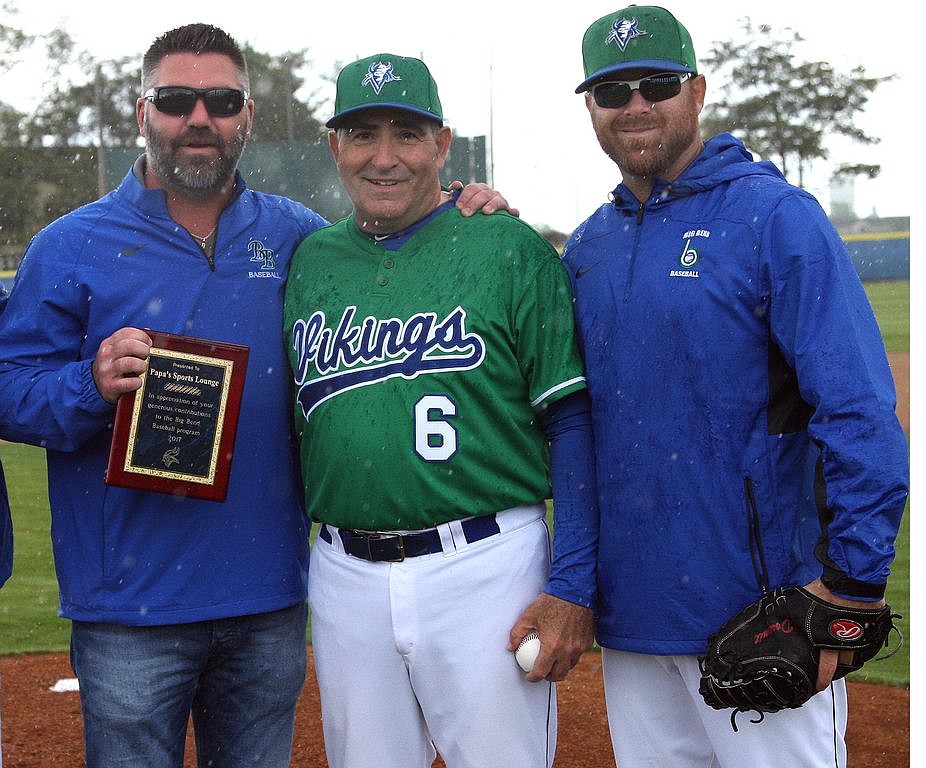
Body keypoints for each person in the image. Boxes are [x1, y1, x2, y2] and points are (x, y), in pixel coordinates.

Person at [0, 24, 511, 768]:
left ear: (248, 116)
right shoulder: (69, 245)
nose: (199, 117)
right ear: (142, 112)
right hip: (129, 610)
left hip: (268, 597)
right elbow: (9, 390)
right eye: (177, 100)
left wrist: (462, 207)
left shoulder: (299, 235)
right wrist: (89, 382)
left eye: (221, 100)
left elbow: (396, 249)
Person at [563, 6, 909, 767]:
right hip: (634, 622)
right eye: (612, 91)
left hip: (764, 614)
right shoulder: (587, 245)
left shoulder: (775, 217)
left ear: (697, 90)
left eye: (656, 83)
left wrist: (850, 587)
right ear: (590, 106)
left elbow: (857, 410)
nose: (636, 106)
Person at [284, 53, 598, 768]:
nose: (385, 157)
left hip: (487, 564)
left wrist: (572, 584)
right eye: (363, 134)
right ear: (336, 147)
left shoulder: (508, 248)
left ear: (443, 145)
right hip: (342, 573)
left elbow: (570, 421)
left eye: (408, 133)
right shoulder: (311, 261)